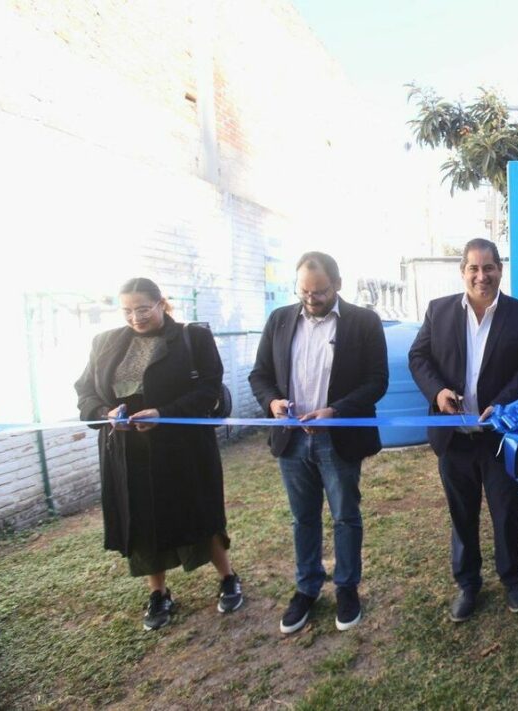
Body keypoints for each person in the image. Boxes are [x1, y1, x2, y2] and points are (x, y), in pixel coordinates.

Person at [75, 278, 242, 631]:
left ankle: (227, 578)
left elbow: (209, 389)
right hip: (128, 453)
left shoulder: (192, 338)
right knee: (144, 520)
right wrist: (106, 413)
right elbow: (85, 392)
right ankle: (158, 594)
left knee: (201, 510)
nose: (135, 317)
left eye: (143, 309)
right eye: (127, 311)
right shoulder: (104, 343)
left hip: (184, 448)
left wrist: (164, 413)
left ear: (161, 304)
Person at [249, 252, 388, 634]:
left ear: (338, 284)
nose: (311, 299)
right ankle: (307, 588)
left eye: (320, 291)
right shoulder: (279, 320)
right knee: (303, 518)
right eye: (304, 291)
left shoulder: (363, 322)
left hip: (337, 440)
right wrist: (272, 402)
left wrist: (336, 410)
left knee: (345, 516)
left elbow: (377, 381)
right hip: (291, 441)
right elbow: (259, 375)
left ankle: (346, 588)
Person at [408, 238, 518, 622]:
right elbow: (418, 357)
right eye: (474, 268)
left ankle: (513, 581)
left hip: (502, 436)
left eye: (489, 268)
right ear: (463, 271)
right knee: (461, 512)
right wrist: (438, 393)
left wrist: (501, 403)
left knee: (507, 511)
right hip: (454, 436)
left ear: (500, 269)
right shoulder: (439, 311)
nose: (481, 276)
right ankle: (468, 584)